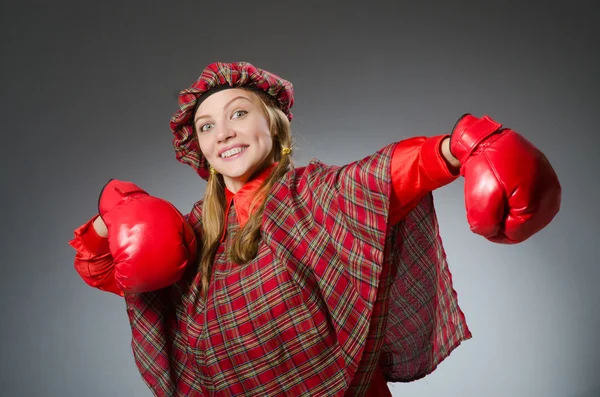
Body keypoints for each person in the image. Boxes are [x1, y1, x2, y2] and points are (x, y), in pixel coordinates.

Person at [69, 61, 561, 396]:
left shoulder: (321, 192)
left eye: (239, 113)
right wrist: (103, 223)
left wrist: (465, 143)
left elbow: (390, 174)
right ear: (199, 148)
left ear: (275, 125)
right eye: (206, 126)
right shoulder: (192, 232)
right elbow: (121, 277)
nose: (224, 133)